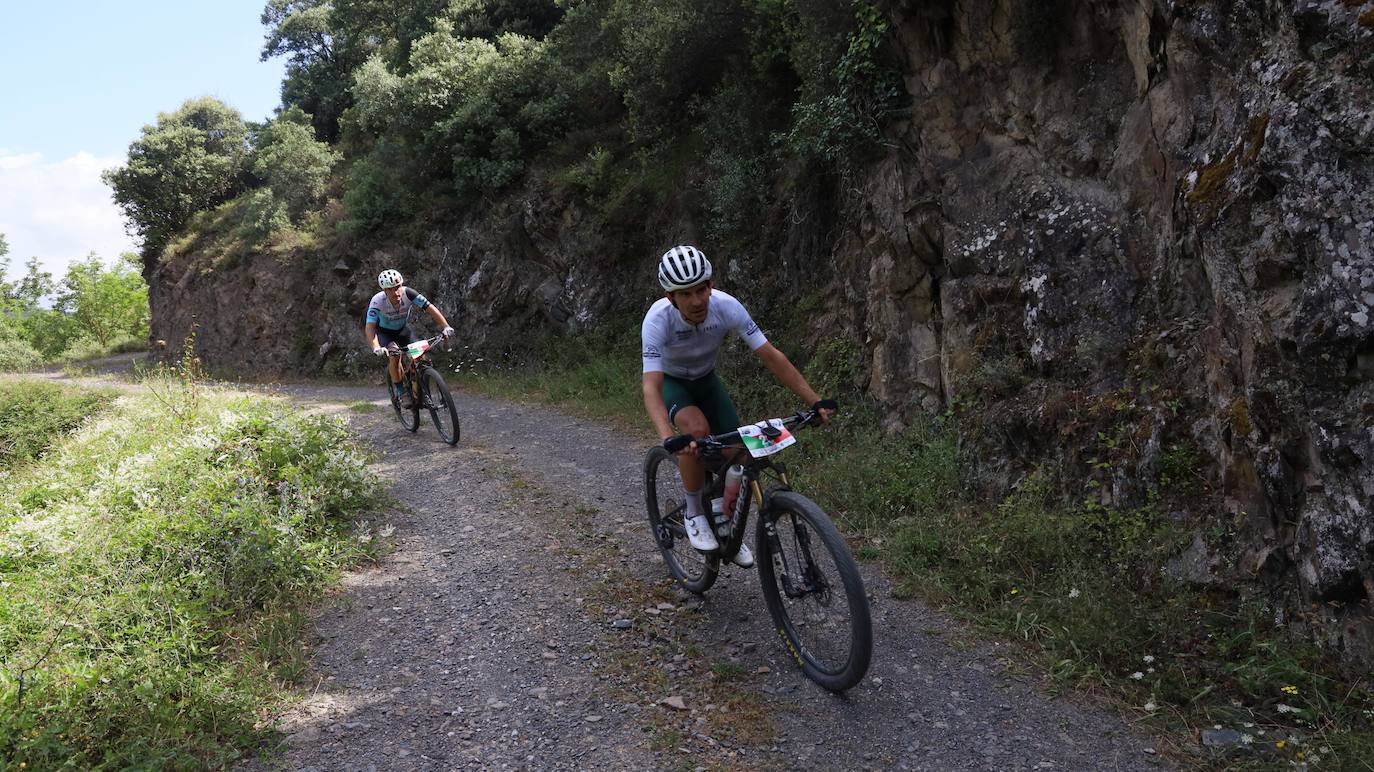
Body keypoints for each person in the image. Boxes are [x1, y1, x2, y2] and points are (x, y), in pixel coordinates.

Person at [641, 245, 835, 568]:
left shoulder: (726, 307)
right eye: (685, 294)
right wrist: (666, 436)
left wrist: (814, 401)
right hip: (674, 383)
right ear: (671, 298)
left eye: (701, 289)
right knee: (696, 431)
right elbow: (652, 385)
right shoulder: (657, 320)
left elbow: (771, 356)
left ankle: (723, 517)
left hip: (706, 380)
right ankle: (693, 512)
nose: (697, 300)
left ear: (711, 286)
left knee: (740, 452)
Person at [363, 269, 455, 407]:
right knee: (395, 356)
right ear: (384, 291)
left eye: (397, 287)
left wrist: (445, 326)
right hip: (384, 334)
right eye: (390, 289)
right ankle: (401, 392)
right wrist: (376, 347)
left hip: (403, 330)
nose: (396, 292)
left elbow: (430, 308)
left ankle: (419, 388)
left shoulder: (408, 293)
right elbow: (370, 328)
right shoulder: (377, 301)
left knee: (420, 357)